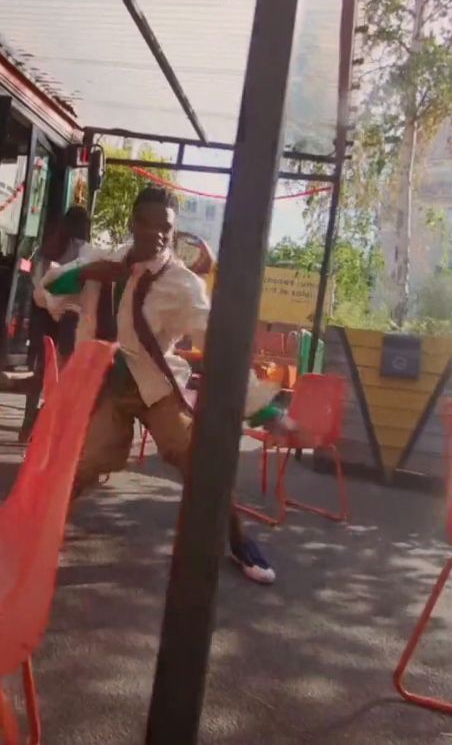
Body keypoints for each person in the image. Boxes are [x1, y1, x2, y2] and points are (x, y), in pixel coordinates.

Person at [41, 187, 289, 585]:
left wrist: (263, 407)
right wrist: (84, 274)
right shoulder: (102, 262)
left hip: (154, 386)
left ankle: (239, 541)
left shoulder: (182, 284)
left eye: (166, 228)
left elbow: (220, 344)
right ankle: (38, 537)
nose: (156, 234)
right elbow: (47, 291)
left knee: (198, 460)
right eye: (147, 223)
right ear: (132, 223)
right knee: (85, 462)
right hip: (105, 386)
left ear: (173, 233)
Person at [19, 207, 92, 439]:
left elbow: (35, 280)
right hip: (68, 319)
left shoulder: (47, 248)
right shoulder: (85, 251)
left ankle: (27, 423)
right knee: (64, 370)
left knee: (41, 370)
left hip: (42, 314)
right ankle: (52, 422)